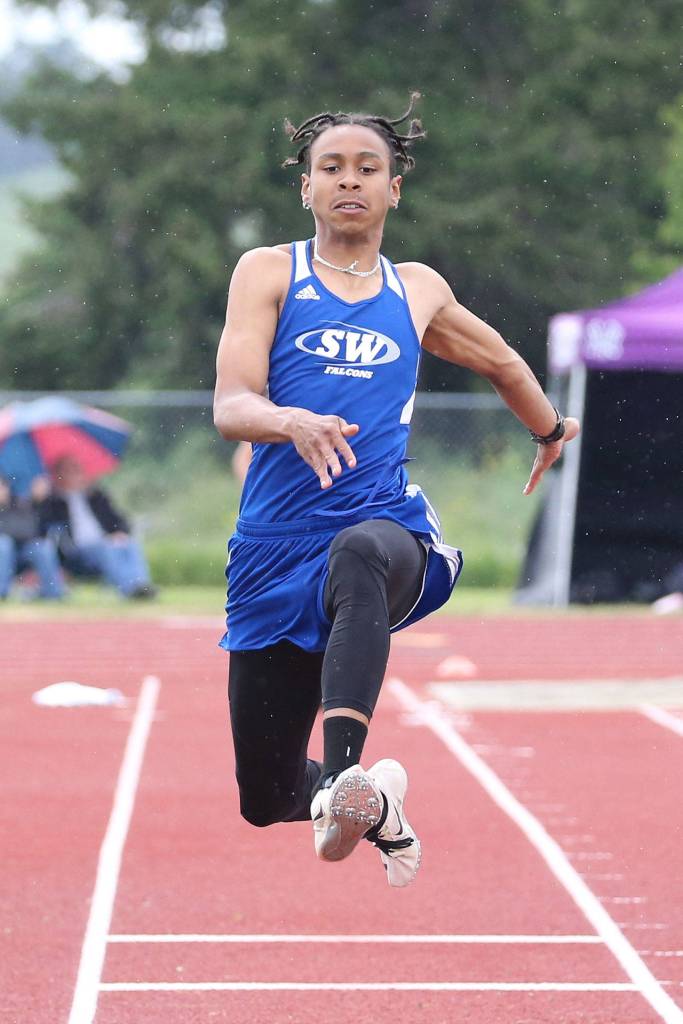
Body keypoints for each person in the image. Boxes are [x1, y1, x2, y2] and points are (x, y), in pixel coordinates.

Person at [213, 94, 579, 887]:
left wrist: (550, 431)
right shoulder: (269, 272)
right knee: (264, 794)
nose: (350, 181)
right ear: (305, 187)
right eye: (331, 168)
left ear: (393, 189)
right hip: (272, 553)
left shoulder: (415, 289)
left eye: (367, 169)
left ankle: (347, 771)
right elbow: (230, 405)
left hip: (387, 535)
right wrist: (287, 421)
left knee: (357, 553)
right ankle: (372, 803)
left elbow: (503, 363)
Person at [41, 456, 157, 599]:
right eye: (69, 471)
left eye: (77, 470)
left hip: (106, 542)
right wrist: (46, 496)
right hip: (77, 552)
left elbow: (120, 520)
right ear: (58, 475)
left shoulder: (96, 497)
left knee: (130, 544)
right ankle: (129, 590)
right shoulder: (53, 501)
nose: (75, 476)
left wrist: (120, 532)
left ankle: (141, 584)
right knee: (108, 548)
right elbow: (46, 526)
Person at [0, 474, 66, 600]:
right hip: (3, 553)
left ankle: (53, 593)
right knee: (4, 544)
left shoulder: (21, 505)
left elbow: (30, 530)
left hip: (22, 552)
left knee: (42, 546)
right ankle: (2, 593)